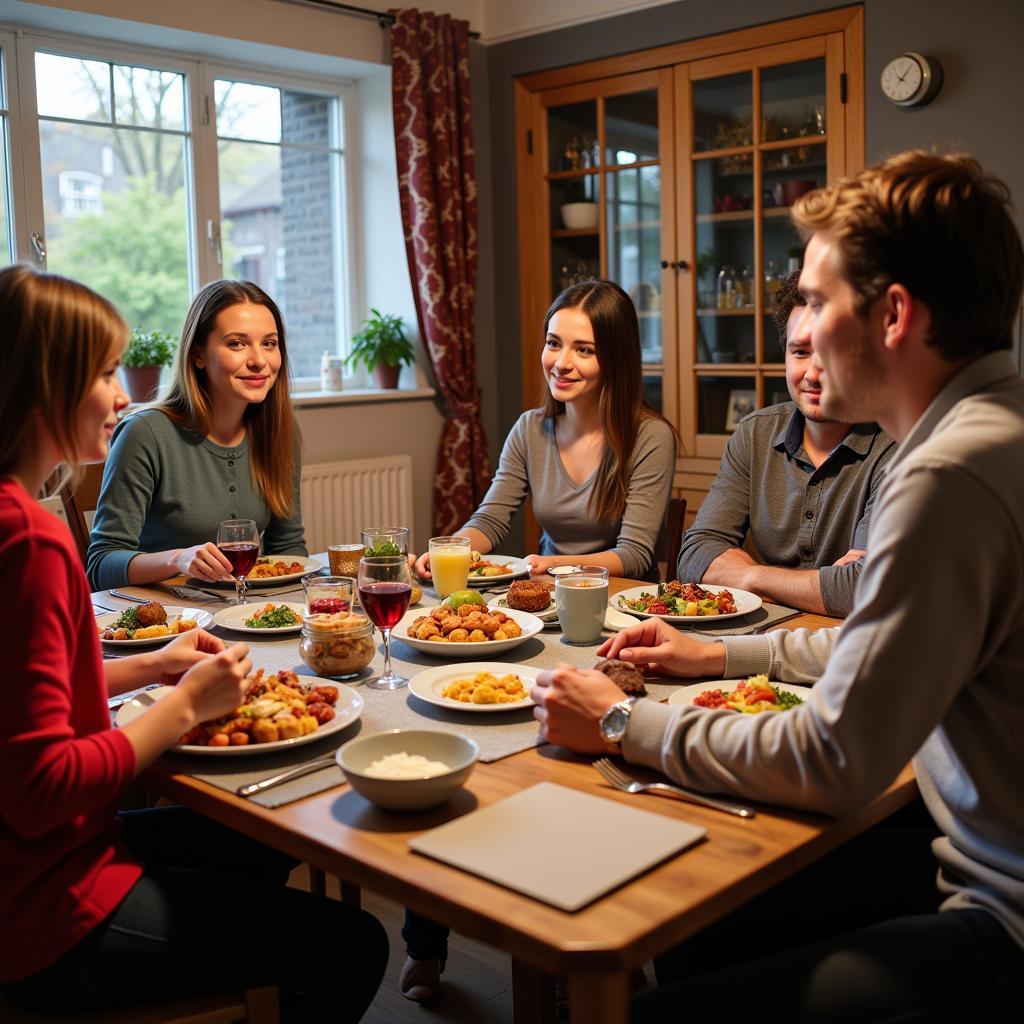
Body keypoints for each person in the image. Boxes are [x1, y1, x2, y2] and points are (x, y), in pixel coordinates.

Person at [532, 151, 1024, 1020]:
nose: (796, 323)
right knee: (702, 907)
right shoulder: (993, 428)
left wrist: (618, 719)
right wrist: (714, 649)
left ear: (894, 316)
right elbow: (860, 633)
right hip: (962, 848)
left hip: (1002, 923)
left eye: (812, 298)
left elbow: (832, 761)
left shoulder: (945, 475)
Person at [0, 265, 387, 1019]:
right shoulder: (33, 542)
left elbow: (22, 708)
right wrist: (182, 707)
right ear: (46, 381)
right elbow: (41, 788)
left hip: (42, 866)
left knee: (275, 832)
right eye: (106, 371)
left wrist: (152, 663)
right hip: (47, 910)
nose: (122, 393)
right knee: (358, 944)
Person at [414, 279, 676, 583]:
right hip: (551, 598)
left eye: (584, 350)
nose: (561, 363)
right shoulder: (529, 428)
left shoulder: (651, 437)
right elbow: (490, 519)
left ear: (616, 360)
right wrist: (448, 552)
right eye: (553, 343)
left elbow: (633, 554)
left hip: (624, 604)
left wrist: (553, 564)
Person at [676, 270, 895, 616]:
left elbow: (864, 589)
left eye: (829, 352)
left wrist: (748, 577)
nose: (811, 373)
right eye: (800, 352)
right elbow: (694, 554)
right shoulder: (754, 434)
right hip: (755, 641)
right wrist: (820, 587)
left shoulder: (894, 447)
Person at [87, 279, 306, 590]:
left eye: (269, 343)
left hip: (246, 615)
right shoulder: (145, 433)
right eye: (236, 343)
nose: (259, 360)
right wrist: (178, 559)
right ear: (198, 355)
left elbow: (290, 549)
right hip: (168, 622)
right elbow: (101, 565)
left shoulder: (279, 431)